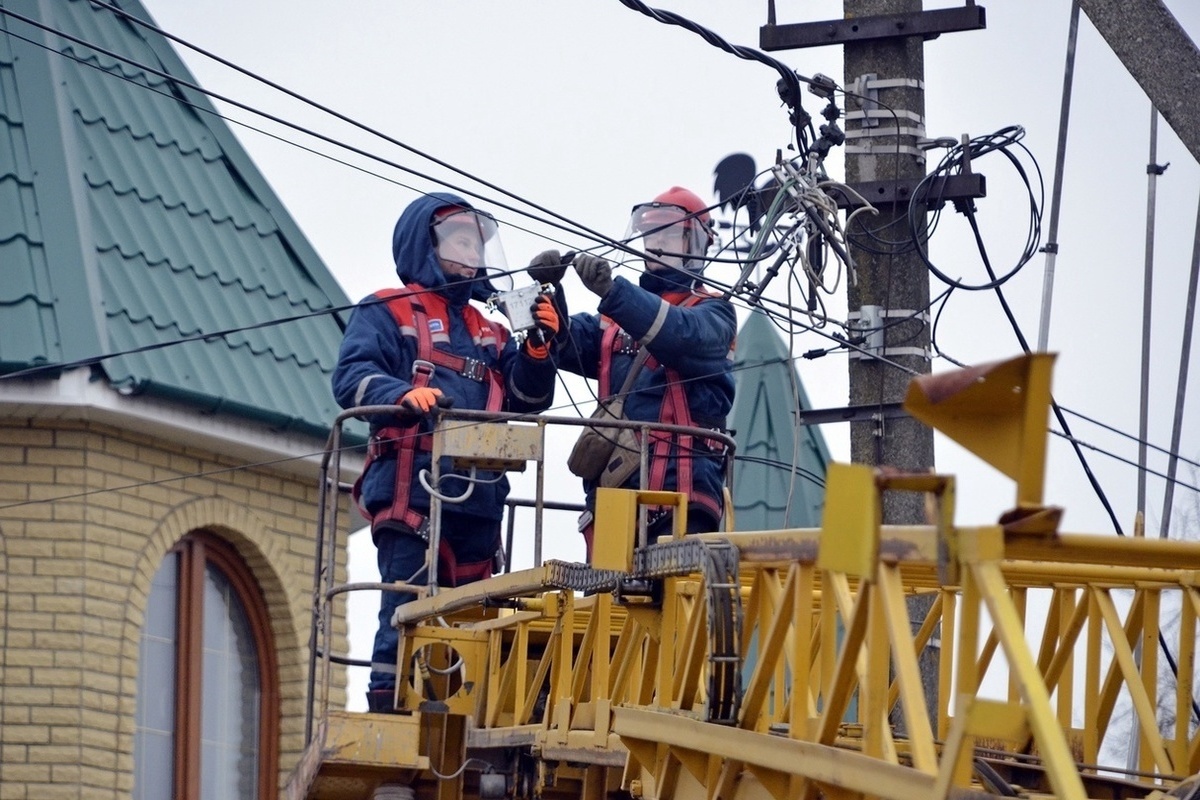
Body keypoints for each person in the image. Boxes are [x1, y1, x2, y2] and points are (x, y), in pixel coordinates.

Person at [333, 192, 561, 712]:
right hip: (410, 493)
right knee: (407, 604)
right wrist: (398, 396)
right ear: (426, 244)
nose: (471, 253)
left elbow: (528, 397)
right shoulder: (388, 309)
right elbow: (350, 377)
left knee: (474, 613)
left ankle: (463, 713)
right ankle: (388, 713)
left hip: (478, 500)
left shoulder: (490, 330)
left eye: (476, 244)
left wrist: (538, 347)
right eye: (459, 240)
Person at [532, 186, 736, 558]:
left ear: (697, 245)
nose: (657, 244)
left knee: (675, 604)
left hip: (682, 497)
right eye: (651, 234)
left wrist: (612, 291)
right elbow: (568, 340)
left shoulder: (715, 314)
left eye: (669, 233)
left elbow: (679, 336)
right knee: (610, 609)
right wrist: (547, 291)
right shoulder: (613, 322)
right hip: (615, 498)